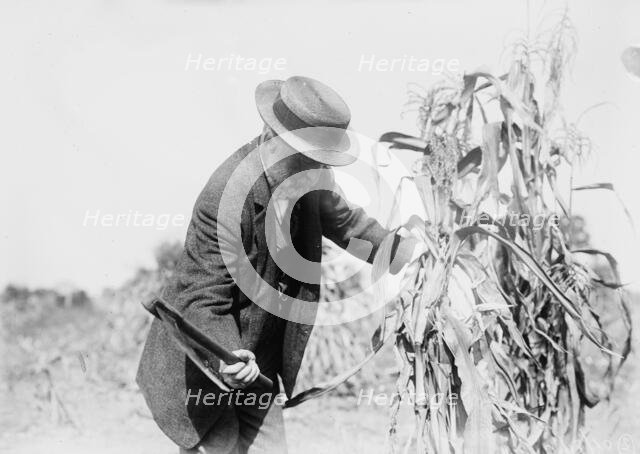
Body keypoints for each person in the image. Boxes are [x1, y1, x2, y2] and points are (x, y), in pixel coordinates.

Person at [136, 76, 418, 453]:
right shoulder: (227, 195)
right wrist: (231, 357)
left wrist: (408, 254)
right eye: (306, 154)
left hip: (261, 366)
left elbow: (347, 224)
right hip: (205, 363)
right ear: (272, 136)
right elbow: (205, 298)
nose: (317, 168)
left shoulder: (310, 175)